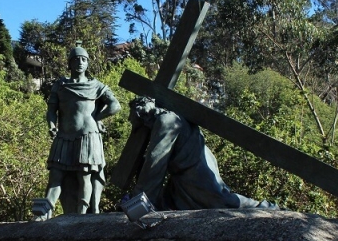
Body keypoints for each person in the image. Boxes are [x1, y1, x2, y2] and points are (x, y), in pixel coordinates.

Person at [127, 96, 278, 211]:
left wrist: (139, 201)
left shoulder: (166, 121)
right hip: (185, 172)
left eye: (136, 117)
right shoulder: (171, 117)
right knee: (170, 204)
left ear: (144, 111)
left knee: (220, 200)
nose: (134, 120)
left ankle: (264, 208)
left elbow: (155, 164)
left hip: (195, 168)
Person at [38, 44, 121, 219]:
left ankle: (82, 215)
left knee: (84, 176)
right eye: (76, 59)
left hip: (88, 135)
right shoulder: (60, 85)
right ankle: (44, 213)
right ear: (69, 63)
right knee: (55, 176)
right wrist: (52, 125)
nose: (80, 62)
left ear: (88, 63)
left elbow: (115, 105)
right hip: (63, 136)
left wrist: (96, 117)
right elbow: (51, 110)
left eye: (84, 59)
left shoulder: (96, 85)